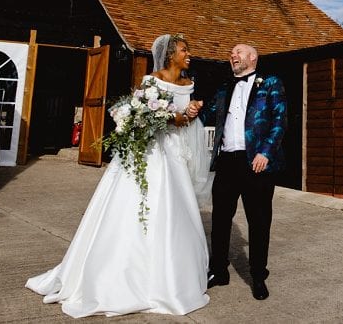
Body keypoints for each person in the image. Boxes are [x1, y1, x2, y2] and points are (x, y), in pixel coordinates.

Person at [26, 34, 210, 318]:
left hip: (174, 152)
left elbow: (184, 120)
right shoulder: (152, 81)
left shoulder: (189, 83)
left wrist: (191, 113)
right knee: (139, 202)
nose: (189, 54)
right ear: (171, 54)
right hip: (153, 151)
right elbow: (148, 115)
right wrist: (170, 116)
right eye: (185, 50)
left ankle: (175, 274)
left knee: (176, 209)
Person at [191, 43, 286, 301]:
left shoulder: (270, 83)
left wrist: (265, 152)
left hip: (256, 162)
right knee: (221, 219)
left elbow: (279, 120)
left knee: (258, 221)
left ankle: (257, 275)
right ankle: (219, 270)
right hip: (226, 162)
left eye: (239, 52)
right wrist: (193, 107)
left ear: (253, 58)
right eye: (231, 53)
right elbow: (207, 114)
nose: (233, 55)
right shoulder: (224, 87)